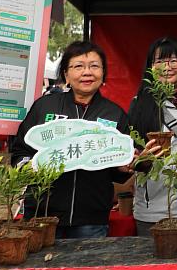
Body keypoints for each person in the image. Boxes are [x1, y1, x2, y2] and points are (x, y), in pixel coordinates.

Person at [11, 41, 131, 239]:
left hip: (91, 219)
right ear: (66, 75)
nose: (87, 72)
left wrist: (123, 167)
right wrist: (28, 167)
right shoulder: (45, 107)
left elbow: (118, 171)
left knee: (84, 269)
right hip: (42, 215)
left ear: (103, 73)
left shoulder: (115, 114)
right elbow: (20, 151)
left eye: (94, 66)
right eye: (78, 66)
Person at [128, 37, 177, 236]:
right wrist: (140, 159)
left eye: (173, 61)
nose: (166, 67)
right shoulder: (139, 105)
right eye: (159, 61)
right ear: (150, 67)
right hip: (153, 211)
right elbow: (130, 154)